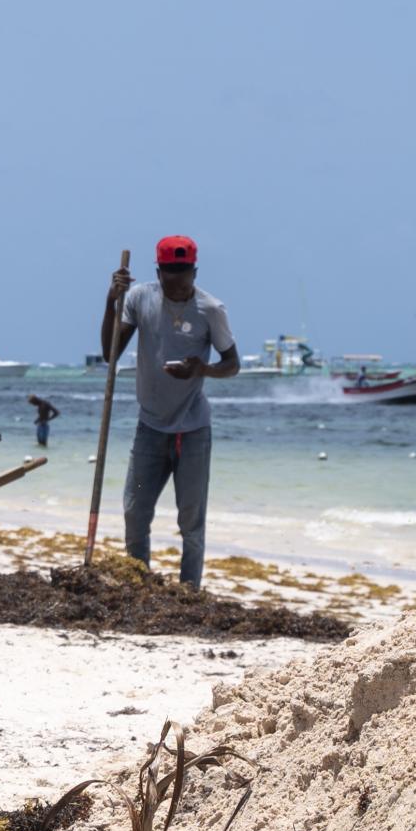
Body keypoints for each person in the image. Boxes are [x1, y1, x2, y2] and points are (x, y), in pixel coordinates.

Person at [99, 235, 239, 588]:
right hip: (150, 426)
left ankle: (189, 589)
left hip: (192, 430)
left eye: (183, 272)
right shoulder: (139, 298)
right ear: (158, 271)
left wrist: (201, 369)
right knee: (135, 510)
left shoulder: (211, 310)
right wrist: (110, 302)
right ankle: (138, 582)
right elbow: (110, 354)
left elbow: (232, 364)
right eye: (169, 272)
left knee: (191, 521)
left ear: (195, 270)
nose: (177, 280)